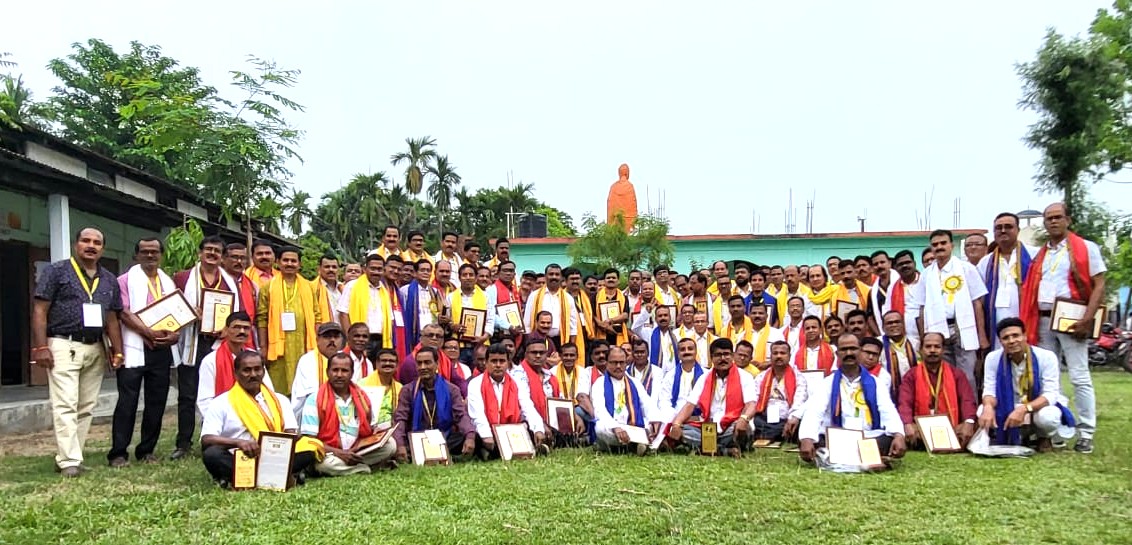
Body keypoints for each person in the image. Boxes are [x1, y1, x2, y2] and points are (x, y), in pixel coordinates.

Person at [32, 228, 125, 477]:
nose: (91, 246)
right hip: (63, 344)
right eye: (86, 241)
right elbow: (40, 310)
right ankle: (69, 461)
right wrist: (41, 347)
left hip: (95, 346)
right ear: (76, 245)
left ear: (102, 249)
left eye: (97, 242)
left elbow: (112, 318)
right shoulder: (57, 271)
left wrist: (117, 351)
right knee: (65, 403)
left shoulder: (109, 279)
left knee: (86, 406)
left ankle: (71, 456)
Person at [1019, 203, 1105, 454]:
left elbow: (1099, 284)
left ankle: (1086, 432)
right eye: (1049, 218)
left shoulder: (1086, 248)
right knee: (1048, 378)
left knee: (1079, 376)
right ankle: (1054, 432)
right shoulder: (1042, 253)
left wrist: (1087, 318)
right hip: (1043, 320)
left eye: (1058, 217)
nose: (1053, 222)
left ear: (1068, 220)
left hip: (1073, 319)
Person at [200, 350, 323, 488]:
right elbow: (207, 439)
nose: (253, 374)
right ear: (236, 373)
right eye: (246, 370)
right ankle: (278, 477)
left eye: (257, 369)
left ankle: (245, 478)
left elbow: (290, 431)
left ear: (263, 372)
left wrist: (283, 442)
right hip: (240, 457)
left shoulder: (280, 400)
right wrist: (239, 443)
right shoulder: (221, 402)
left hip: (275, 457)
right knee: (212, 454)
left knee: (310, 447)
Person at [109, 237, 180, 467]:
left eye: (155, 251)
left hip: (161, 350)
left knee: (156, 402)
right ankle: (119, 453)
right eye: (145, 251)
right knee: (127, 402)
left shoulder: (168, 282)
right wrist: (148, 332)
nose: (150, 255)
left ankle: (147, 450)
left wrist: (175, 334)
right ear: (136, 255)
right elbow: (123, 312)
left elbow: (177, 313)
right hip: (133, 348)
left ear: (161, 255)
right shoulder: (124, 280)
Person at [173, 235, 244, 460]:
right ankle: (183, 443)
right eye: (208, 249)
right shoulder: (183, 278)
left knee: (218, 393)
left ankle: (213, 438)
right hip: (192, 342)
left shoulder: (230, 282)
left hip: (218, 344)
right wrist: (189, 313)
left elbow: (238, 313)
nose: (212, 254)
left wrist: (228, 329)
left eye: (217, 251)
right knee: (187, 394)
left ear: (222, 257)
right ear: (200, 253)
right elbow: (173, 308)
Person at [798, 334, 907, 462]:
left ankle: (842, 455)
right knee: (812, 439)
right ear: (837, 354)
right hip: (837, 437)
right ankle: (866, 456)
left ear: (860, 351)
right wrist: (806, 438)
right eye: (844, 350)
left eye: (853, 349)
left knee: (887, 440)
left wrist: (899, 435)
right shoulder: (827, 382)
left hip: (867, 436)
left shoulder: (876, 383)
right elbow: (814, 411)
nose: (849, 353)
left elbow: (888, 410)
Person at [979, 317, 1076, 451]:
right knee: (981, 411)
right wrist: (988, 406)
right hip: (1008, 404)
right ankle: (1013, 436)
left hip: (1037, 406)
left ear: (1025, 336)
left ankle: (1044, 436)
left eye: (1016, 335)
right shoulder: (993, 358)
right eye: (1006, 338)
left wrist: (1024, 409)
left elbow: (1050, 394)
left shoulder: (1046, 357)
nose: (1011, 341)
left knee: (1048, 417)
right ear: (1000, 341)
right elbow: (989, 390)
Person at [911, 229, 990, 390]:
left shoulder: (966, 268)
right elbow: (921, 308)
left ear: (951, 246)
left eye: (943, 243)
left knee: (967, 377)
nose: (939, 247)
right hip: (937, 330)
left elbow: (977, 303)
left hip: (963, 328)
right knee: (944, 377)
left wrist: (982, 336)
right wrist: (924, 337)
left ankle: (969, 407)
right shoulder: (926, 274)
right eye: (935, 244)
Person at [300, 352, 396, 476]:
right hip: (330, 454)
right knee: (324, 464)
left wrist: (376, 437)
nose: (339, 375)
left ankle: (351, 467)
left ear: (352, 373)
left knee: (390, 445)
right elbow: (310, 440)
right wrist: (340, 453)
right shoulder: (315, 399)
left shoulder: (362, 397)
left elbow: (370, 430)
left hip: (356, 451)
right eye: (335, 370)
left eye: (344, 371)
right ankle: (364, 468)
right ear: (327, 372)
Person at [667, 339, 758, 457]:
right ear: (711, 358)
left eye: (726, 354)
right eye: (718, 355)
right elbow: (690, 405)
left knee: (744, 430)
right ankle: (723, 450)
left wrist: (744, 419)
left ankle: (706, 448)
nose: (723, 358)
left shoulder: (745, 377)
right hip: (708, 428)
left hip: (733, 425)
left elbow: (751, 404)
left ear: (732, 356)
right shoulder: (704, 378)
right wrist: (676, 424)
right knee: (682, 431)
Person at [392, 347, 476, 462]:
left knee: (472, 436)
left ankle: (430, 454)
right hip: (416, 438)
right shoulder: (408, 390)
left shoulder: (451, 389)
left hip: (445, 437)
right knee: (394, 442)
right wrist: (400, 444)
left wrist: (470, 436)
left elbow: (461, 416)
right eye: (419, 363)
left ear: (437, 364)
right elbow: (401, 419)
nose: (423, 367)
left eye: (427, 362)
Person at [257, 246, 320, 396]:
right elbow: (262, 318)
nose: (289, 264)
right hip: (279, 348)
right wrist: (263, 347)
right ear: (278, 262)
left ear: (299, 264)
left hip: (304, 345)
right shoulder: (268, 287)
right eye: (286, 260)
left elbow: (317, 316)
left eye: (293, 261)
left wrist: (317, 345)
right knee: (279, 389)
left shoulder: (309, 287)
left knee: (305, 386)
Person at [467, 344, 548, 459]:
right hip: (488, 430)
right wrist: (487, 435)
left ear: (508, 363)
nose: (498, 365)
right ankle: (494, 450)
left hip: (512, 429)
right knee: (475, 437)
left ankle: (496, 452)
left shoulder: (516, 382)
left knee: (540, 430)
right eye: (494, 361)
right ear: (486, 363)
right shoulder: (475, 383)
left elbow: (528, 407)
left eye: (502, 361)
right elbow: (477, 415)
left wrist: (538, 429)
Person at [898, 332, 977, 448]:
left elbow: (967, 400)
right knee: (909, 428)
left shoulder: (956, 374)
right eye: (928, 346)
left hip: (951, 426)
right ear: (920, 350)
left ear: (943, 350)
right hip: (921, 428)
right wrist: (907, 423)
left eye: (937, 347)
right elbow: (905, 403)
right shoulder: (911, 375)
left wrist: (969, 422)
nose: (932, 350)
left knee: (969, 426)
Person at [197, 312, 273, 416]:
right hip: (223, 418)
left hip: (254, 415)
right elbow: (205, 401)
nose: (242, 331)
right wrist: (221, 420)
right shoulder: (211, 361)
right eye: (236, 327)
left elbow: (268, 390)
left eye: (246, 328)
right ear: (225, 330)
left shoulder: (254, 357)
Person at [977, 213, 1035, 348]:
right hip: (996, 321)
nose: (1003, 230)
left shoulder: (1034, 255)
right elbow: (979, 299)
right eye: (998, 228)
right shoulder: (986, 262)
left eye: (1008, 227)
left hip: (1027, 318)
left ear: (1018, 230)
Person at [590, 346, 658, 455]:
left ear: (626, 363)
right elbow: (600, 410)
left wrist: (655, 420)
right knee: (600, 428)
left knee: (654, 424)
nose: (618, 366)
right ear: (606, 363)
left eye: (621, 362)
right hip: (613, 426)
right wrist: (615, 427)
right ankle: (635, 445)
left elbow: (647, 405)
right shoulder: (600, 383)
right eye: (614, 362)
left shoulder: (634, 383)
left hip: (633, 426)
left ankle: (620, 445)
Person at [338, 254, 394, 361]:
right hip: (360, 339)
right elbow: (343, 314)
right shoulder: (353, 286)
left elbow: (390, 319)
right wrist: (351, 339)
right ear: (365, 269)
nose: (376, 272)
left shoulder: (384, 290)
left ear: (384, 271)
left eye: (379, 269)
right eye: (373, 268)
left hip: (381, 340)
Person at [289, 322, 349, 418]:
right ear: (317, 340)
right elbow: (312, 395)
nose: (332, 340)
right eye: (327, 336)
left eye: (336, 336)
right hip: (311, 413)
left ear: (342, 340)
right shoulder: (307, 360)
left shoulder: (346, 359)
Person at [750, 342, 807, 442]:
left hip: (786, 419)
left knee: (798, 421)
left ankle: (771, 434)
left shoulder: (798, 377)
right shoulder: (761, 377)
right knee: (756, 422)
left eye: (782, 353)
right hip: (765, 419)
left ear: (789, 356)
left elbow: (799, 401)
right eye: (775, 353)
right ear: (771, 356)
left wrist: (792, 418)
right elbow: (754, 400)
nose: (778, 356)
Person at [397, 323, 469, 396]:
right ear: (421, 338)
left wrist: (467, 395)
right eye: (430, 335)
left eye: (438, 336)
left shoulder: (445, 360)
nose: (434, 338)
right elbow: (413, 389)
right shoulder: (411, 361)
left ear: (442, 341)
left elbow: (458, 382)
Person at [448, 263, 495, 364]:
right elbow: (448, 320)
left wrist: (484, 336)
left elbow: (490, 319)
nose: (468, 278)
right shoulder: (451, 297)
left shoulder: (486, 296)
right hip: (459, 346)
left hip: (481, 346)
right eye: (464, 275)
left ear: (476, 277)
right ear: (459, 277)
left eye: (471, 275)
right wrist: (453, 326)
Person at [525, 264, 578, 353]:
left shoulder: (568, 298)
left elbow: (573, 325)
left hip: (561, 340)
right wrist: (528, 343)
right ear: (545, 276)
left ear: (561, 277)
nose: (554, 277)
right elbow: (527, 322)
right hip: (538, 340)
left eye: (557, 274)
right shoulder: (534, 295)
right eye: (551, 274)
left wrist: (571, 345)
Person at [551, 342, 594, 442]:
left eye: (572, 355)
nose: (569, 358)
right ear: (560, 356)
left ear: (577, 356)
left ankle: (589, 433)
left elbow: (584, 395)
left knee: (580, 411)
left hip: (578, 406)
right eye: (566, 355)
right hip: (559, 407)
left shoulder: (583, 372)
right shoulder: (552, 372)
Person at [655, 339, 705, 424]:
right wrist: (677, 418)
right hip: (675, 418)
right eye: (682, 349)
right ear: (678, 354)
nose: (686, 352)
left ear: (696, 352)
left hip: (701, 419)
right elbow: (664, 401)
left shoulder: (706, 374)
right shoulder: (670, 375)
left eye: (690, 349)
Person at [400, 258, 442, 349]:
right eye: (422, 270)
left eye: (428, 270)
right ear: (415, 273)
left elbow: (438, 312)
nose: (426, 273)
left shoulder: (435, 292)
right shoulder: (405, 290)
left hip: (431, 334)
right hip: (414, 332)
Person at [222, 243, 258, 344]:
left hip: (246, 339)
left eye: (243, 258)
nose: (239, 261)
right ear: (223, 259)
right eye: (234, 257)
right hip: (218, 337)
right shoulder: (217, 281)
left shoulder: (252, 286)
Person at [889, 249, 923, 351]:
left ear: (914, 264)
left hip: (927, 335)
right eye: (900, 264)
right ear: (895, 268)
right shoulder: (892, 288)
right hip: (904, 337)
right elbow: (888, 312)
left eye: (908, 262)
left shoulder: (925, 282)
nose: (904, 266)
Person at [359, 348, 403, 425]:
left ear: (397, 365)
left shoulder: (400, 388)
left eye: (391, 361)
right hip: (368, 428)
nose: (387, 363)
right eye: (384, 360)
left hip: (392, 429)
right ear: (377, 364)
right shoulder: (362, 385)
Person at [631, 304, 680, 373]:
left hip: (673, 373)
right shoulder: (649, 333)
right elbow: (635, 328)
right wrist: (646, 312)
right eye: (660, 316)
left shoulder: (676, 335)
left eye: (665, 315)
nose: (663, 318)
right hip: (655, 374)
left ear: (670, 317)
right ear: (656, 319)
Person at [879, 310, 917, 387]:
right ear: (883, 328)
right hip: (887, 388)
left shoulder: (915, 343)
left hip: (914, 387)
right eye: (890, 323)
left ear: (904, 324)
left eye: (897, 322)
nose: (894, 325)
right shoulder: (877, 344)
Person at [596, 268, 631, 347]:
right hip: (601, 333)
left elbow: (625, 315)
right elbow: (592, 315)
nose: (611, 279)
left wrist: (610, 321)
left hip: (618, 333)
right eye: (608, 278)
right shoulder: (596, 296)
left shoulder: (624, 297)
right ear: (604, 281)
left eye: (613, 278)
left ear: (618, 281)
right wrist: (604, 325)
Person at [488, 260, 523, 339]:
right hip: (498, 335)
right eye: (505, 270)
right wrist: (509, 326)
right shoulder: (492, 290)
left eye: (511, 271)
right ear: (498, 273)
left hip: (515, 332)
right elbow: (490, 315)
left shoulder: (515, 291)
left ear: (514, 274)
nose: (508, 273)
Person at [865, 251, 897, 336]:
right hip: (884, 334)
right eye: (875, 264)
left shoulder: (902, 283)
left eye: (882, 262)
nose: (879, 266)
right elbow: (870, 317)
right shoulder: (872, 292)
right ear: (872, 268)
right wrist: (880, 335)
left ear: (889, 263)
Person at [747, 304, 785, 369]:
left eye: (760, 313)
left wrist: (769, 363)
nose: (757, 315)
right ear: (749, 315)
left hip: (770, 371)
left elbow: (784, 355)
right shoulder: (743, 335)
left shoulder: (777, 334)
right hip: (746, 372)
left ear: (767, 316)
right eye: (754, 313)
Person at [313, 255, 343, 326]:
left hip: (343, 331)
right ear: (319, 269)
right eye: (327, 267)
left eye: (334, 267)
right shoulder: (312, 289)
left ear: (338, 270)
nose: (331, 270)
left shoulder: (343, 289)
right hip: (322, 330)